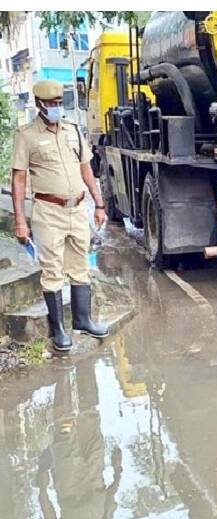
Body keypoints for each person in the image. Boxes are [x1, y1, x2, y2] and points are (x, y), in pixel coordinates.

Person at [11, 79, 109, 352]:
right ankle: (59, 332)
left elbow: (86, 169)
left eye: (58, 103)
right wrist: (20, 220)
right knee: (52, 271)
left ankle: (83, 319)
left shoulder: (72, 130)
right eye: (51, 104)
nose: (56, 108)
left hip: (77, 209)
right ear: (40, 105)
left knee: (80, 266)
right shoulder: (26, 135)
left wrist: (98, 204)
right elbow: (18, 179)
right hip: (47, 211)